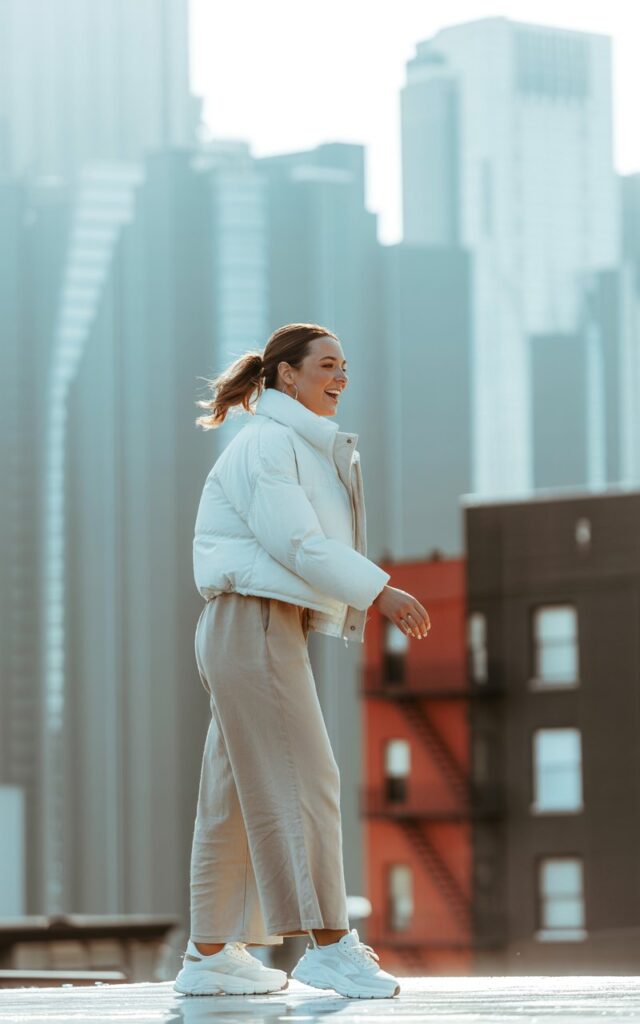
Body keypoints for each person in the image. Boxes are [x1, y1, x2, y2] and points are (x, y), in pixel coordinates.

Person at [173, 323, 431, 999]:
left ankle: (208, 956)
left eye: (346, 366)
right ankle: (326, 943)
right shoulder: (270, 444)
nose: (341, 376)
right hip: (251, 621)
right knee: (305, 777)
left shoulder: (290, 442)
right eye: (326, 365)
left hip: (251, 625)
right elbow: (296, 541)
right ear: (288, 375)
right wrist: (383, 590)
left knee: (231, 797)